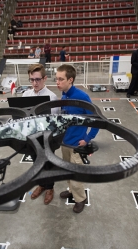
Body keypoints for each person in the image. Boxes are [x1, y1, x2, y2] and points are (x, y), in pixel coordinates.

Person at [56, 64, 99, 213]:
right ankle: (72, 191)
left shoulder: (82, 97)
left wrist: (87, 139)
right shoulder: (64, 95)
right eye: (56, 79)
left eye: (61, 79)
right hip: (65, 142)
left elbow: (96, 121)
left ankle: (80, 198)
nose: (57, 82)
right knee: (67, 171)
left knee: (75, 175)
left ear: (70, 80)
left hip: (76, 145)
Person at [23, 64, 60, 205]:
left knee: (49, 164)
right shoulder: (25, 95)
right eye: (31, 80)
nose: (34, 83)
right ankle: (41, 184)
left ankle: (50, 188)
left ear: (45, 79)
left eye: (37, 79)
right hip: (32, 138)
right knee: (36, 163)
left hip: (47, 138)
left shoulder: (52, 97)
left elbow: (56, 121)